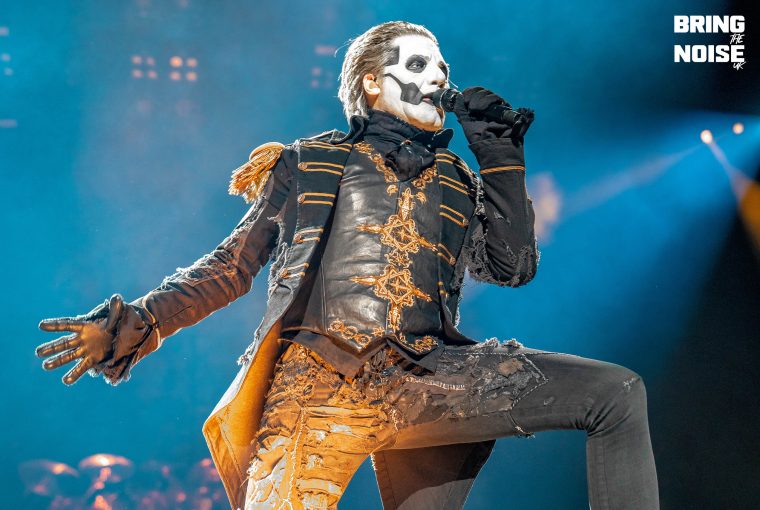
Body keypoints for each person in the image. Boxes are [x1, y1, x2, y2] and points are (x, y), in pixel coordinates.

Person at [36, 21, 659, 510]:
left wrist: (499, 156)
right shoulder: (309, 161)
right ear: (372, 83)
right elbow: (231, 266)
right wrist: (140, 320)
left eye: (443, 67)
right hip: (318, 383)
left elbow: (511, 267)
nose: (438, 77)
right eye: (418, 65)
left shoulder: (456, 177)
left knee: (616, 394)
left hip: (428, 376)